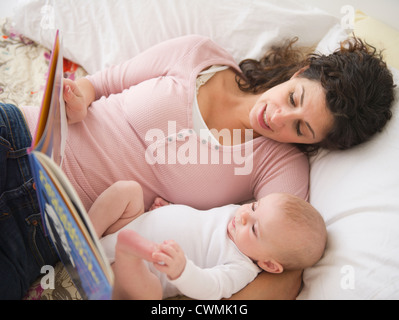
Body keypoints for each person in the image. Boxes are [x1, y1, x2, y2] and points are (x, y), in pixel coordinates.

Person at [0, 34, 394, 299]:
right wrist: (79, 96)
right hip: (19, 137)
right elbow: (102, 83)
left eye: (301, 128)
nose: (278, 117)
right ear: (297, 74)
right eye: (293, 98)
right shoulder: (199, 56)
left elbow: (285, 274)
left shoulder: (280, 168)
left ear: (315, 143)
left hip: (42, 230)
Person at [88, 180, 327, 300]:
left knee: (149, 288)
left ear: (268, 264)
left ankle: (120, 252)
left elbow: (210, 288)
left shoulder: (240, 268)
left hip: (124, 276)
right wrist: (168, 210)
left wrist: (182, 271)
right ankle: (87, 234)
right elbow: (198, 223)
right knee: (127, 190)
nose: (244, 215)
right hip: (125, 228)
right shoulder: (237, 216)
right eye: (254, 206)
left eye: (254, 229)